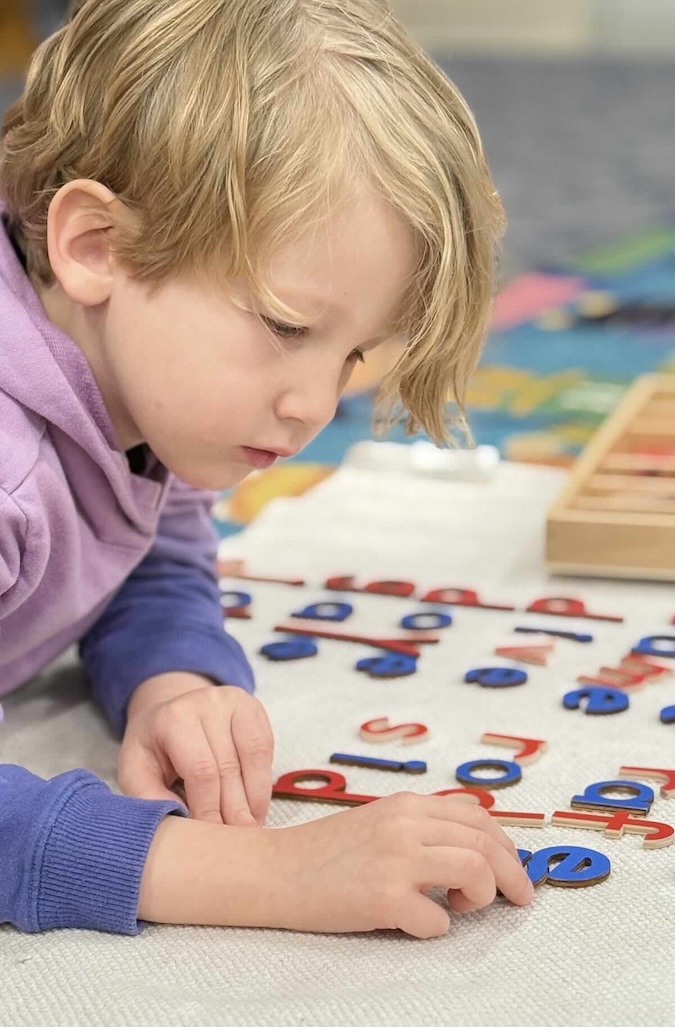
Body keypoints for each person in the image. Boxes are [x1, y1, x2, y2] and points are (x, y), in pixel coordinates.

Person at [0, 0, 534, 940]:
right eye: (286, 328)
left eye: (354, 356)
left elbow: (150, 541)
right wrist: (253, 873)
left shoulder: (147, 384)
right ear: (96, 246)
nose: (313, 407)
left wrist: (173, 678)